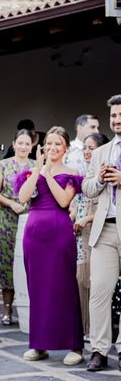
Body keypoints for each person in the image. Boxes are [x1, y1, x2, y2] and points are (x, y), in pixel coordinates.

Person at [16, 126, 84, 366]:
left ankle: (75, 344)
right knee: (38, 289)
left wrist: (47, 174)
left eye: (58, 144)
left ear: (65, 148)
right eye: (49, 144)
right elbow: (23, 198)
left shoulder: (72, 172)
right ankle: (39, 344)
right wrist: (38, 171)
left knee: (64, 288)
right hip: (34, 236)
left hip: (59, 234)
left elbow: (64, 200)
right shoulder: (32, 171)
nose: (52, 148)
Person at [82, 95, 121, 372]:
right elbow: (87, 188)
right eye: (114, 116)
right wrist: (98, 179)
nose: (117, 120)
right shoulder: (100, 152)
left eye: (120, 115)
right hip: (105, 229)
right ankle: (99, 350)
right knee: (99, 291)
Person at [0, 129, 35, 325]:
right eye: (20, 143)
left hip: (31, 220)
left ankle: (32, 308)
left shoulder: (37, 167)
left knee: (31, 263)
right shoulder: (2, 165)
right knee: (7, 263)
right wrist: (11, 204)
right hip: (7, 221)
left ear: (32, 146)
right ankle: (8, 310)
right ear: (13, 144)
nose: (23, 147)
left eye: (27, 144)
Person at [72, 132, 109, 341]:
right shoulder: (83, 172)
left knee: (90, 281)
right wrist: (74, 214)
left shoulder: (106, 171)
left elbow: (108, 207)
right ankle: (84, 326)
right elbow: (78, 200)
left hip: (99, 230)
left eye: (91, 148)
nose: (87, 152)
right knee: (80, 279)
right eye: (85, 148)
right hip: (80, 232)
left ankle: (91, 329)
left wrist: (87, 219)